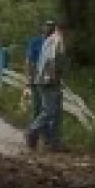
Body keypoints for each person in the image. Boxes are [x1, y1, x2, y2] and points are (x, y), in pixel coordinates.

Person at [26, 23, 67, 151]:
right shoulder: (56, 41)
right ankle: (32, 131)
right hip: (48, 81)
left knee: (56, 112)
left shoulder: (50, 41)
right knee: (49, 111)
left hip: (47, 80)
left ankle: (54, 142)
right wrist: (53, 77)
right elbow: (51, 61)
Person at [25, 21, 53, 121]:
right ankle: (33, 130)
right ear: (42, 28)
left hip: (50, 79)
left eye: (51, 27)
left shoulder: (54, 43)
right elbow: (29, 61)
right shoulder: (35, 42)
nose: (48, 29)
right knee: (37, 106)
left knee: (47, 107)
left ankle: (42, 131)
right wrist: (29, 77)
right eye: (46, 26)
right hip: (36, 77)